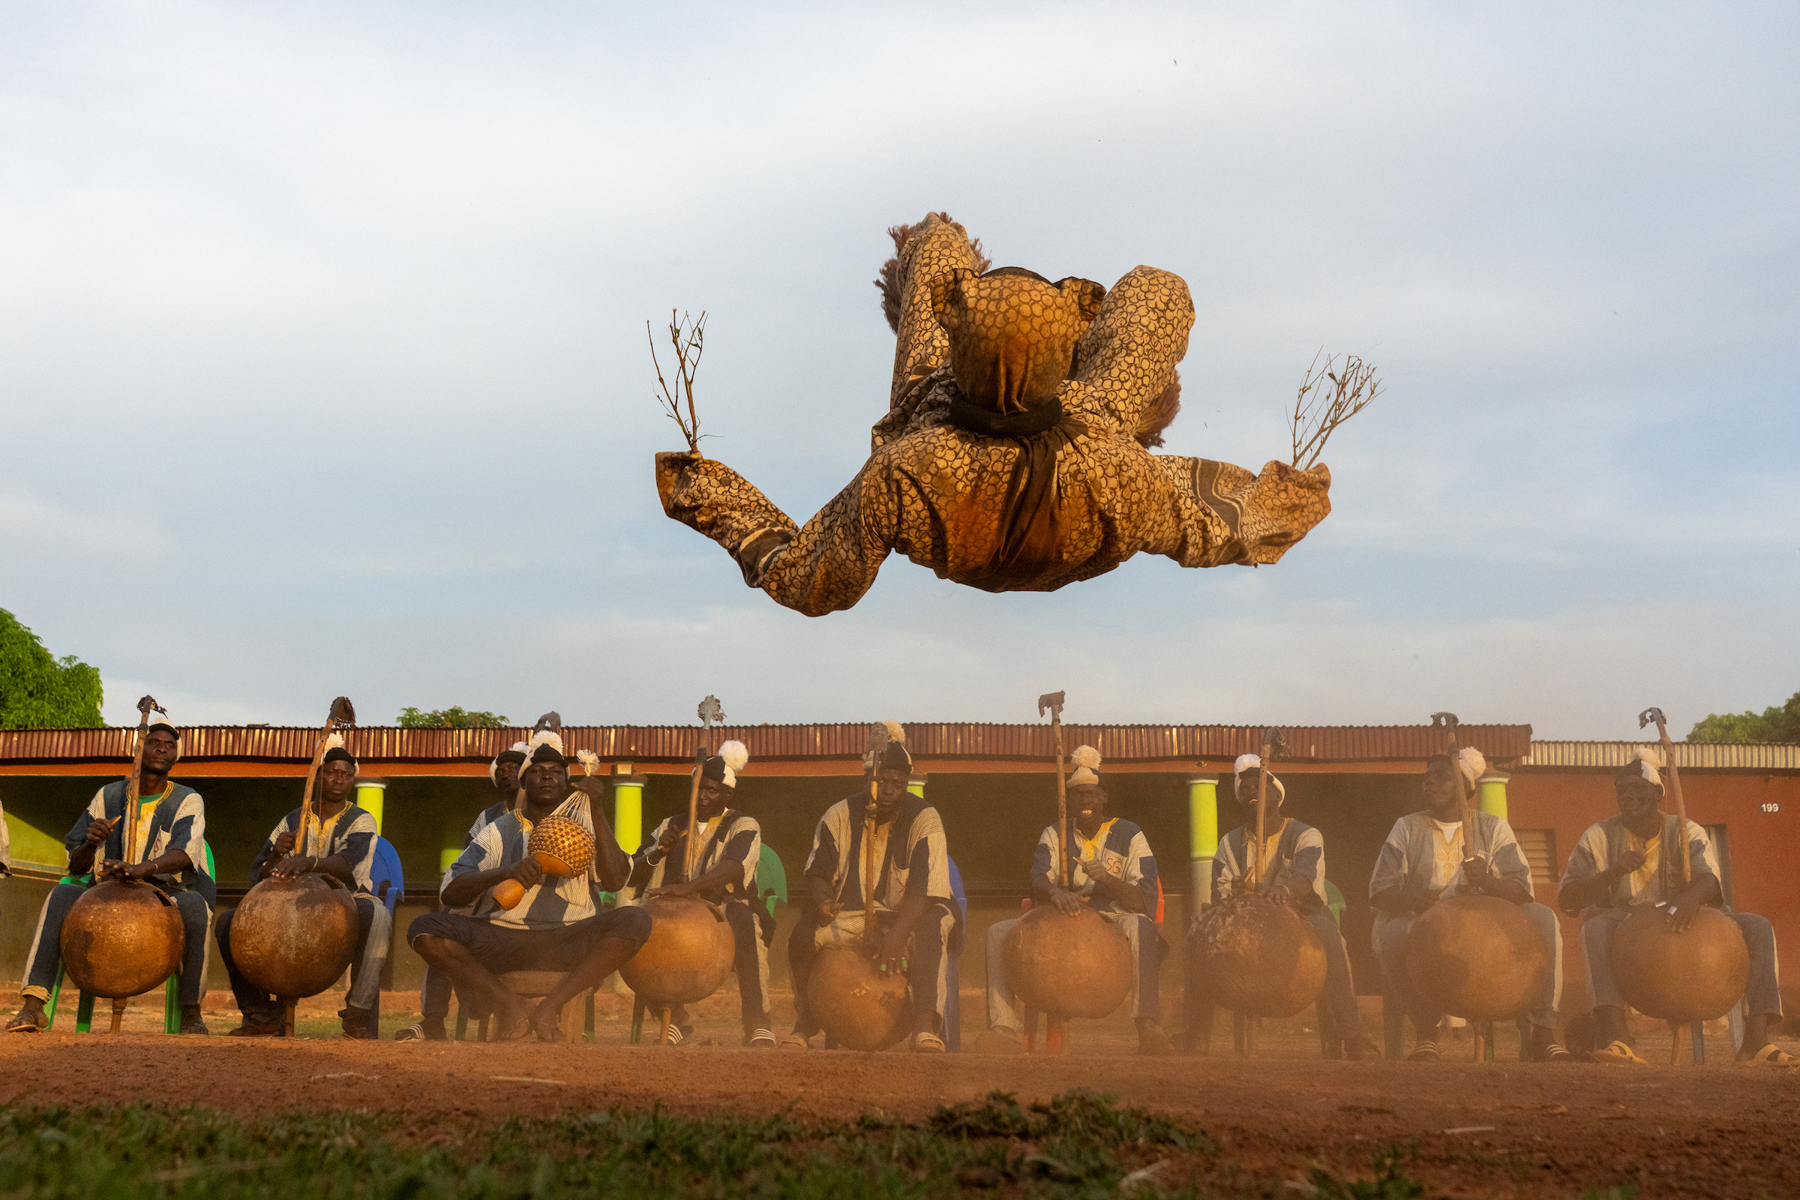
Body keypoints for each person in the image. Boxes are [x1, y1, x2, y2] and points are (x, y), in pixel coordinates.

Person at [655, 212, 1333, 616]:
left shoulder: (906, 468)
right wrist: (1289, 502)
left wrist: (706, 492)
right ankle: (1052, 352)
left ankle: (970, 301)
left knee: (937, 242)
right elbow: (1217, 523)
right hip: (1079, 480)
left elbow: (809, 579)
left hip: (956, 466)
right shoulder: (1116, 467)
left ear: (959, 345)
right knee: (1156, 295)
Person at [408, 727, 649, 1041]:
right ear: (523, 783)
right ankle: (512, 1004)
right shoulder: (499, 830)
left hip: (569, 939)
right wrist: (505, 872)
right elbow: (451, 892)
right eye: (537, 771)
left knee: (636, 919)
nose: (547, 776)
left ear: (566, 783)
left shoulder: (587, 828)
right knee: (424, 929)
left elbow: (616, 881)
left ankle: (551, 1006)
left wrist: (598, 809)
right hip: (503, 940)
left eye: (556, 772)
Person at [1558, 748, 1791, 1065]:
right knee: (1594, 929)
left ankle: (1756, 1042)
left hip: (1680, 920)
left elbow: (1709, 880)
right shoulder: (1598, 836)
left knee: (1757, 926)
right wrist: (1613, 871)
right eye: (1621, 790)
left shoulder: (1685, 829)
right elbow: (1568, 899)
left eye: (1638, 788)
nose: (1628, 796)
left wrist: (1691, 896)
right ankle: (1619, 1039)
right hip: (1626, 929)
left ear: (1658, 794)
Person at [8, 708, 213, 1034]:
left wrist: (140, 869)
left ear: (176, 756)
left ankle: (191, 1012)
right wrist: (91, 845)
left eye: (169, 745)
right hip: (105, 890)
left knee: (197, 907)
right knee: (62, 893)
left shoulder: (187, 799)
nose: (161, 748)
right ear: (138, 749)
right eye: (154, 742)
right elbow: (76, 864)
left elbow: (185, 853)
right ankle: (33, 1005)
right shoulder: (108, 795)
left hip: (164, 892)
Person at [1368, 746, 1569, 1061]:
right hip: (1425, 925)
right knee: (1392, 933)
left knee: (1543, 916)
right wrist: (1412, 899)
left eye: (1442, 777)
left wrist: (1487, 881)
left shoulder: (1492, 827)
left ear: (1466, 788)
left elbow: (1520, 890)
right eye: (1428, 777)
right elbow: (1380, 890)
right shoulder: (1406, 827)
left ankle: (1544, 1032)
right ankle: (1426, 1033)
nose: (1429, 782)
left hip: (1485, 930)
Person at [977, 746, 1170, 1055]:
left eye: (1091, 794)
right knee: (996, 932)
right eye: (1078, 795)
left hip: (1112, 917)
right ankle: (1002, 1027)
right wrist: (1056, 893)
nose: (1085, 801)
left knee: (1141, 927)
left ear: (1104, 796)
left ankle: (1148, 1025)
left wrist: (1108, 879)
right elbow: (1038, 878)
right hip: (1061, 914)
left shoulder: (1130, 834)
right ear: (1068, 801)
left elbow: (1145, 899)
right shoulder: (1055, 833)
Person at [783, 723, 959, 1051]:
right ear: (866, 779)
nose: (888, 790)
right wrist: (823, 902)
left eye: (897, 784)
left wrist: (895, 937)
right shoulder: (838, 814)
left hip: (915, 912)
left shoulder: (926, 818)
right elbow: (817, 873)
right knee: (802, 935)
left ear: (906, 784)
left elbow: (926, 889)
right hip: (851, 914)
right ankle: (806, 1022)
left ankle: (924, 1027)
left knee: (933, 926)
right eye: (881, 781)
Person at [1186, 754, 1375, 1058]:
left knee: (1332, 940)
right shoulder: (1229, 843)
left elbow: (1306, 877)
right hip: (1246, 920)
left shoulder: (1306, 834)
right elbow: (1219, 893)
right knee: (1199, 939)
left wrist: (1282, 891)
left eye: (1259, 787)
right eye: (1244, 789)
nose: (1251, 791)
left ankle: (1352, 1035)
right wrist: (1236, 895)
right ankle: (1196, 1036)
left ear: (1277, 795)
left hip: (1303, 913)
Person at [215, 736, 391, 1038]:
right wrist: (276, 854)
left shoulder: (362, 820)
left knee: (377, 915)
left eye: (346, 774)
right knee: (228, 922)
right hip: (289, 902)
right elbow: (259, 875)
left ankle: (357, 1015)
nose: (339, 779)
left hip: (347, 901)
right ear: (319, 776)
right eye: (331, 772)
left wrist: (308, 863)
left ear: (352, 780)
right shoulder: (293, 819)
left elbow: (346, 863)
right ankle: (260, 1015)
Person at [626, 740, 774, 1047]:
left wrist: (689, 888)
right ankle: (675, 1021)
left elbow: (734, 867)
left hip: (723, 910)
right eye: (698, 789)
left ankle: (757, 1022)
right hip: (673, 912)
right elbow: (635, 870)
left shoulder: (743, 824)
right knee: (635, 929)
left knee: (745, 922)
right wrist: (660, 850)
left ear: (727, 794)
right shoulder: (671, 824)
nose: (703, 796)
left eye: (711, 790)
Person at [395, 740, 527, 1042]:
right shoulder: (488, 817)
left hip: (531, 903)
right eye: (501, 771)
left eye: (514, 768)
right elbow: (470, 861)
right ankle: (433, 1019)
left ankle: (502, 1006)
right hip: (485, 895)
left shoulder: (549, 812)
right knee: (443, 927)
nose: (507, 774)